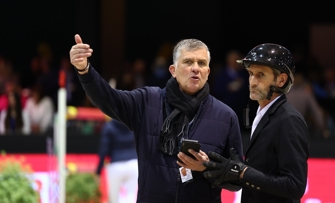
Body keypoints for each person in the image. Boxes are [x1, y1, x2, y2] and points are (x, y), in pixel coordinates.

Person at [69, 34, 243, 203]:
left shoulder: (226, 116)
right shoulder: (147, 101)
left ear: (208, 71)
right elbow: (108, 98)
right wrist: (84, 70)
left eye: (202, 63)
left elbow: (237, 178)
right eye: (188, 62)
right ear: (173, 70)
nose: (195, 68)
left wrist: (206, 167)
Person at [203, 43, 310, 203]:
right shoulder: (263, 113)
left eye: (260, 75)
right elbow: (259, 174)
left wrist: (243, 172)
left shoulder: (289, 120)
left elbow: (294, 186)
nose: (252, 82)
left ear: (281, 80)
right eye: (250, 74)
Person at [96, 118, 138, 203]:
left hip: (116, 164)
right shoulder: (134, 124)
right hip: (134, 163)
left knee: (114, 198)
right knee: (131, 197)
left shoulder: (109, 126)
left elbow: (104, 150)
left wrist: (98, 171)